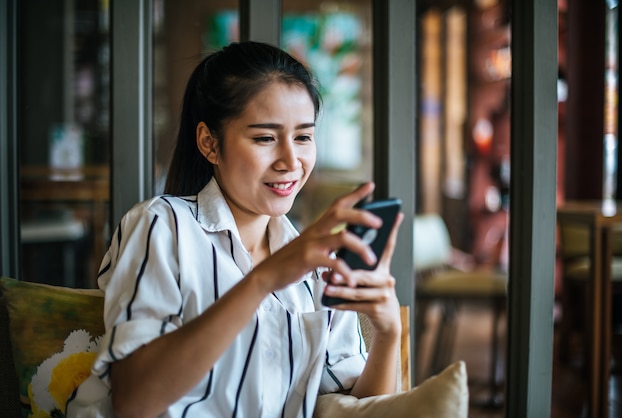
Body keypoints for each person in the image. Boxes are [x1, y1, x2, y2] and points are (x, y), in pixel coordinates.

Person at [67, 40, 403, 418]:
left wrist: (389, 333)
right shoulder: (162, 226)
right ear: (209, 143)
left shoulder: (320, 265)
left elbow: (355, 405)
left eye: (303, 137)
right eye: (264, 138)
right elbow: (134, 403)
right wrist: (263, 280)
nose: (291, 161)